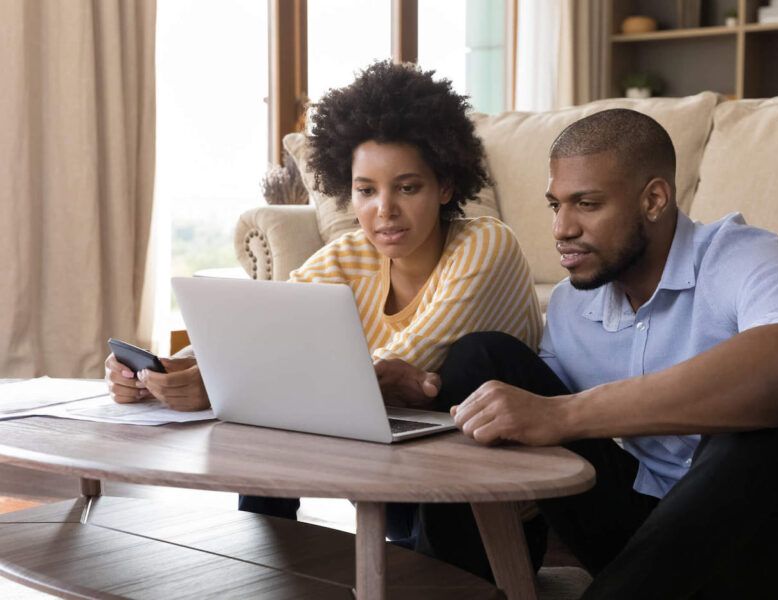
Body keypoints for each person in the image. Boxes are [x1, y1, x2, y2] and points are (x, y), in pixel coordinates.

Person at [398, 109, 778, 598]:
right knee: (482, 359)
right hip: (649, 540)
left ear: (653, 199)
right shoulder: (572, 302)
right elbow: (526, 414)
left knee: (774, 431)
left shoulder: (743, 257)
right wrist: (419, 388)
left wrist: (565, 414)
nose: (562, 228)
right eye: (555, 206)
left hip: (772, 558)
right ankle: (456, 587)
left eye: (586, 204)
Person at [103, 61, 544, 530]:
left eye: (407, 188)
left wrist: (222, 382)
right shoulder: (351, 255)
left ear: (445, 186)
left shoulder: (486, 244)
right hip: (392, 473)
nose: (385, 211)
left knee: (284, 388)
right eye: (365, 190)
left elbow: (404, 355)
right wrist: (161, 370)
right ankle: (268, 557)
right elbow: (262, 329)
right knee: (273, 392)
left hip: (492, 510)